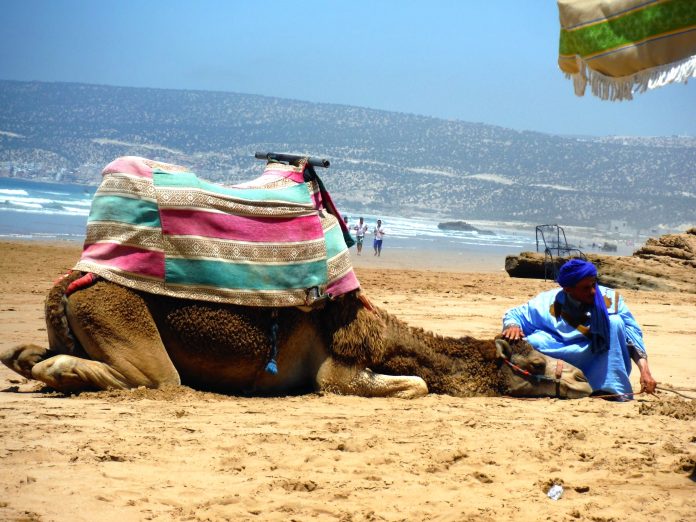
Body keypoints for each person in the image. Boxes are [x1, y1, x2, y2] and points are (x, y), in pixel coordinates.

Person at [501, 258, 656, 399]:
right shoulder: (545, 302)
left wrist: (645, 371)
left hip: (599, 354)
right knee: (534, 341)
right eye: (586, 288)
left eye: (594, 284)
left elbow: (632, 338)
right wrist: (512, 326)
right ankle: (554, 385)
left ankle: (610, 389)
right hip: (563, 353)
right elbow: (515, 315)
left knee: (615, 322)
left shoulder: (612, 301)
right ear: (568, 289)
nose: (593, 291)